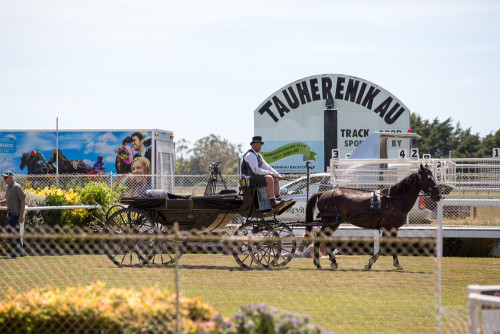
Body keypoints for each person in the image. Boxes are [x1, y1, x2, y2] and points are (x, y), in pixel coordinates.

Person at [241, 136, 283, 208]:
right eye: (257, 145)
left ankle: (278, 198)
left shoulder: (259, 156)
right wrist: (269, 173)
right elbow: (256, 170)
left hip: (255, 177)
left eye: (260, 145)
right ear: (252, 145)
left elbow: (266, 167)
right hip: (248, 180)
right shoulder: (250, 155)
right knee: (269, 178)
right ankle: (272, 201)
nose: (259, 147)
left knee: (275, 178)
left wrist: (277, 174)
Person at [0, 171, 26, 257]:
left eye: (5, 178)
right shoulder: (8, 188)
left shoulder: (17, 187)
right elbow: (8, 200)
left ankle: (18, 251)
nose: (4, 180)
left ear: (11, 178)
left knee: (6, 231)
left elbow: (23, 199)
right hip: (11, 214)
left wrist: (21, 215)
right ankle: (18, 252)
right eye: (3, 178)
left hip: (16, 215)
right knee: (14, 234)